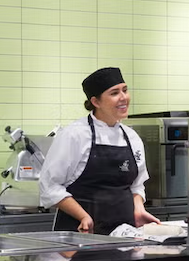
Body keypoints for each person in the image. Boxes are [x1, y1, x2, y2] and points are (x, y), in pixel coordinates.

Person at [39, 67, 161, 235]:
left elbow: (137, 185)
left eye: (125, 90)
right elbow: (50, 186)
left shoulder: (131, 137)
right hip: (80, 235)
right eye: (114, 93)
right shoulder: (74, 135)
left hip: (124, 235)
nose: (123, 97)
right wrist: (83, 216)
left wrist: (138, 208)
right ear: (96, 102)